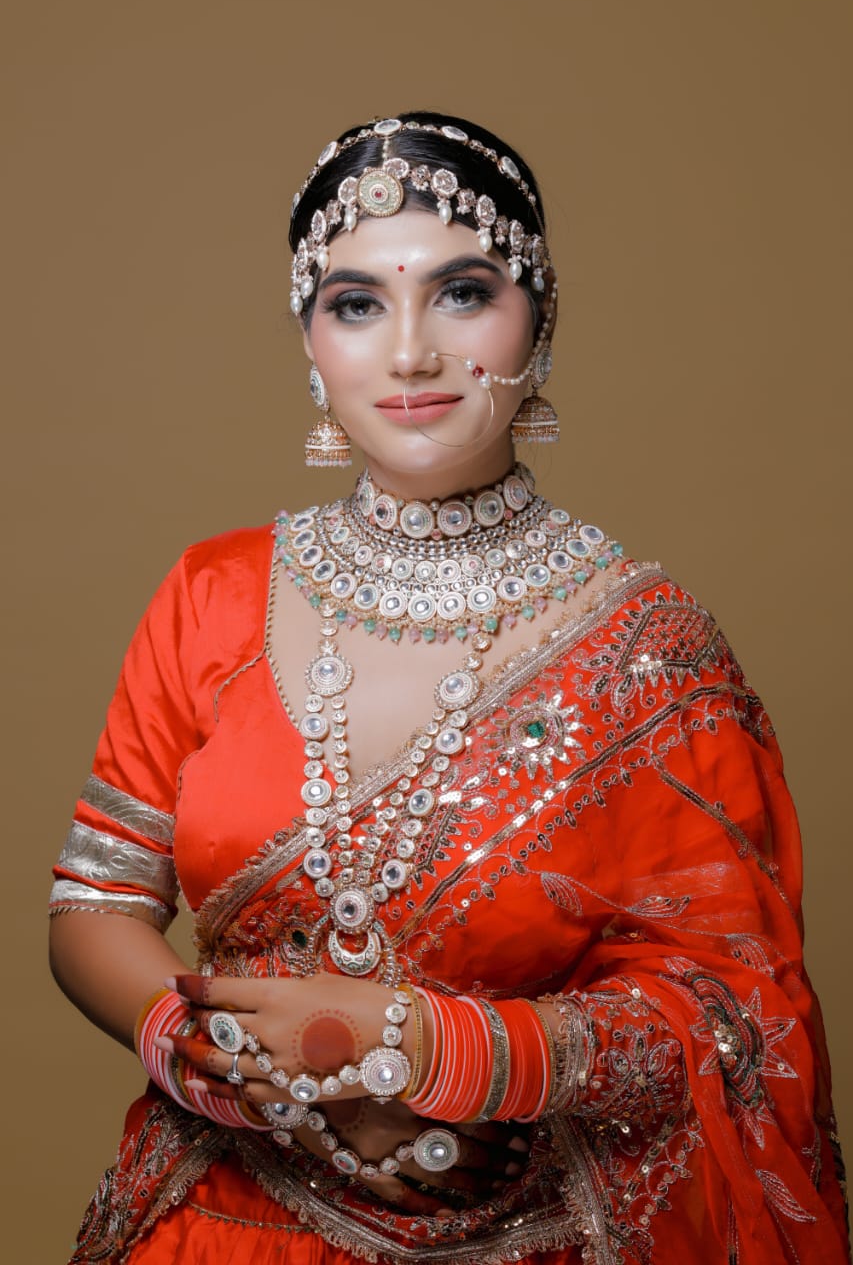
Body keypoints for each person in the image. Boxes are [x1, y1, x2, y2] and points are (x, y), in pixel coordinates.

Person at [49, 111, 850, 1264]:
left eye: (462, 293)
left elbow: (734, 1017)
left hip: (526, 1233)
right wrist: (241, 1072)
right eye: (356, 303)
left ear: (540, 317)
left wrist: (431, 1049)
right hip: (217, 1214)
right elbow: (94, 907)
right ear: (310, 339)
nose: (409, 352)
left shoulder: (647, 647)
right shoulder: (213, 594)